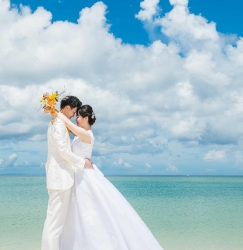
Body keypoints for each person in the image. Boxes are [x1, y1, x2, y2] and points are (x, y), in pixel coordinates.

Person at [59, 104, 165, 250]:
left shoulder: (87, 134)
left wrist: (54, 111)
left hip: (84, 175)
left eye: (78, 116)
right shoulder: (79, 134)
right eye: (76, 116)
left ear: (86, 118)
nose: (76, 119)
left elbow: (67, 123)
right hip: (77, 174)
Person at [42, 95, 94, 250]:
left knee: (56, 224)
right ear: (66, 108)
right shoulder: (58, 124)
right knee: (54, 225)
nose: (73, 116)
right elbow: (64, 152)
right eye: (73, 112)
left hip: (60, 178)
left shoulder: (57, 122)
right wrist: (83, 162)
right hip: (60, 179)